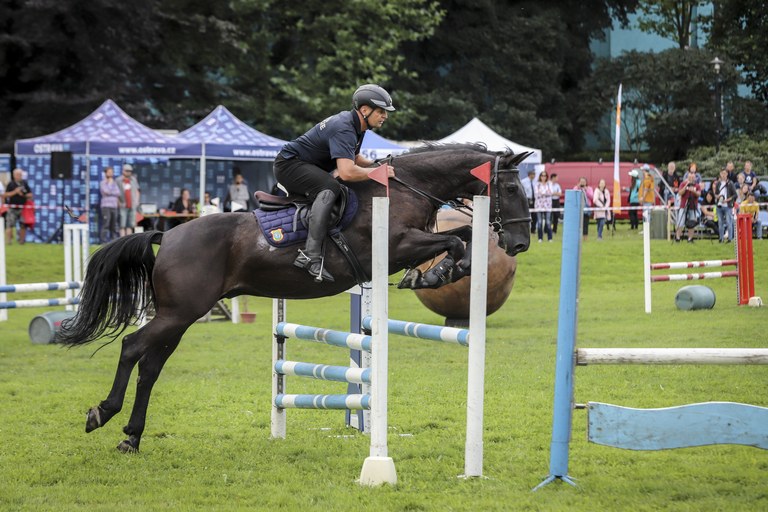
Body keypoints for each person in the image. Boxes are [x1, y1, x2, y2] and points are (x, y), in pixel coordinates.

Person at [273, 84, 396, 282]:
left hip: (301, 164)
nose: (385, 116)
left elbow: (354, 159)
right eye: (381, 111)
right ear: (365, 110)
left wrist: (378, 164)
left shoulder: (358, 126)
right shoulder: (345, 127)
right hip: (289, 166)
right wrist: (376, 172)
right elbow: (347, 173)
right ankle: (310, 256)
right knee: (331, 186)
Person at [2, 168, 33, 244]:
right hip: (12, 208)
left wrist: (23, 195)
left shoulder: (24, 184)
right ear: (14, 175)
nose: (19, 176)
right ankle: (9, 241)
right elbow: (5, 195)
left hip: (22, 208)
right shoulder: (11, 184)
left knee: (23, 225)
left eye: (20, 174)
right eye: (17, 174)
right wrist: (15, 192)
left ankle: (22, 241)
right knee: (9, 225)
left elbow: (30, 195)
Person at [674, 168, 701, 243]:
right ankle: (678, 237)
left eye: (693, 177)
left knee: (691, 223)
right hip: (683, 205)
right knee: (680, 222)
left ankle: (690, 238)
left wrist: (693, 191)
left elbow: (699, 194)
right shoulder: (683, 184)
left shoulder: (697, 185)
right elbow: (679, 193)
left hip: (693, 206)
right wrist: (686, 186)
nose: (691, 178)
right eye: (690, 177)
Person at [712, 168, 736, 242]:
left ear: (727, 174)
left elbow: (735, 195)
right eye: (722, 173)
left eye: (725, 173)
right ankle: (721, 238)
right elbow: (715, 194)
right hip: (719, 205)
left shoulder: (730, 183)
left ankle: (730, 238)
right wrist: (718, 197)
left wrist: (728, 200)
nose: (723, 175)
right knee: (720, 222)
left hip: (727, 206)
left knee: (729, 222)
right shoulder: (718, 183)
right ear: (720, 174)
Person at [99, 166, 120, 243]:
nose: (111, 173)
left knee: (114, 225)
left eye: (112, 172)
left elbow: (118, 192)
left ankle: (114, 241)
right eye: (109, 172)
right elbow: (105, 191)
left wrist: (111, 191)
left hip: (114, 206)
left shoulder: (115, 182)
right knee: (106, 224)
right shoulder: (103, 183)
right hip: (106, 206)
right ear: (105, 173)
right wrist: (111, 186)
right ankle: (103, 241)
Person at [118, 164, 140, 237]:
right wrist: (119, 203)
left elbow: (137, 191)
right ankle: (122, 240)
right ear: (123, 171)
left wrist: (136, 201)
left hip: (132, 205)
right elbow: (116, 193)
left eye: (130, 171)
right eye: (127, 171)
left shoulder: (133, 179)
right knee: (122, 224)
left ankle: (128, 240)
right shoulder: (118, 180)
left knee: (130, 224)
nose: (128, 173)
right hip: (123, 205)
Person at [534, 170, 553, 242]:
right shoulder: (537, 184)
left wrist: (542, 193)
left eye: (545, 175)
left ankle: (550, 238)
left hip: (548, 206)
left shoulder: (549, 183)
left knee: (548, 222)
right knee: (539, 222)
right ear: (540, 177)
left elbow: (551, 192)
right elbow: (536, 193)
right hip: (538, 205)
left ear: (547, 177)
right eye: (542, 175)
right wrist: (545, 193)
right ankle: (540, 238)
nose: (543, 177)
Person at [521, 169, 537, 234]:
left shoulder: (535, 182)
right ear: (529, 175)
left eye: (534, 174)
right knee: (527, 215)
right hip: (527, 199)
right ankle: (527, 229)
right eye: (533, 174)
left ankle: (533, 229)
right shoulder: (523, 181)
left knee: (534, 215)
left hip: (535, 199)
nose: (534, 176)